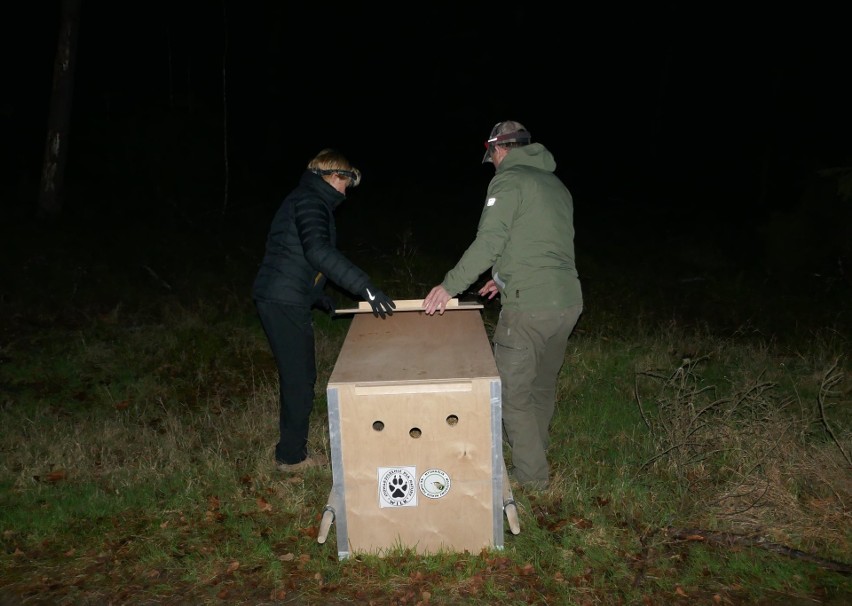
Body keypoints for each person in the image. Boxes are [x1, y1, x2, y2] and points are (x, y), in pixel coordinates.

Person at [423, 121, 583, 489]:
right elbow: (543, 245)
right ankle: (534, 452)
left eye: (491, 157)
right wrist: (503, 276)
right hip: (567, 302)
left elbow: (489, 241)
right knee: (542, 386)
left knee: (511, 395)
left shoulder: (508, 181)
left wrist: (449, 287)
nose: (492, 164)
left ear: (500, 149)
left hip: (529, 307)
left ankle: (531, 479)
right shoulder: (556, 186)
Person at [253, 149, 396, 472]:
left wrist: (316, 295)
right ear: (334, 177)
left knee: (298, 376)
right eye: (346, 183)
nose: (347, 192)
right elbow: (318, 251)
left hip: (284, 296)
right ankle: (291, 457)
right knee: (300, 379)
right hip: (282, 300)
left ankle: (290, 451)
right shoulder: (310, 202)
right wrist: (366, 286)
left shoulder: (306, 199)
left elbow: (292, 256)